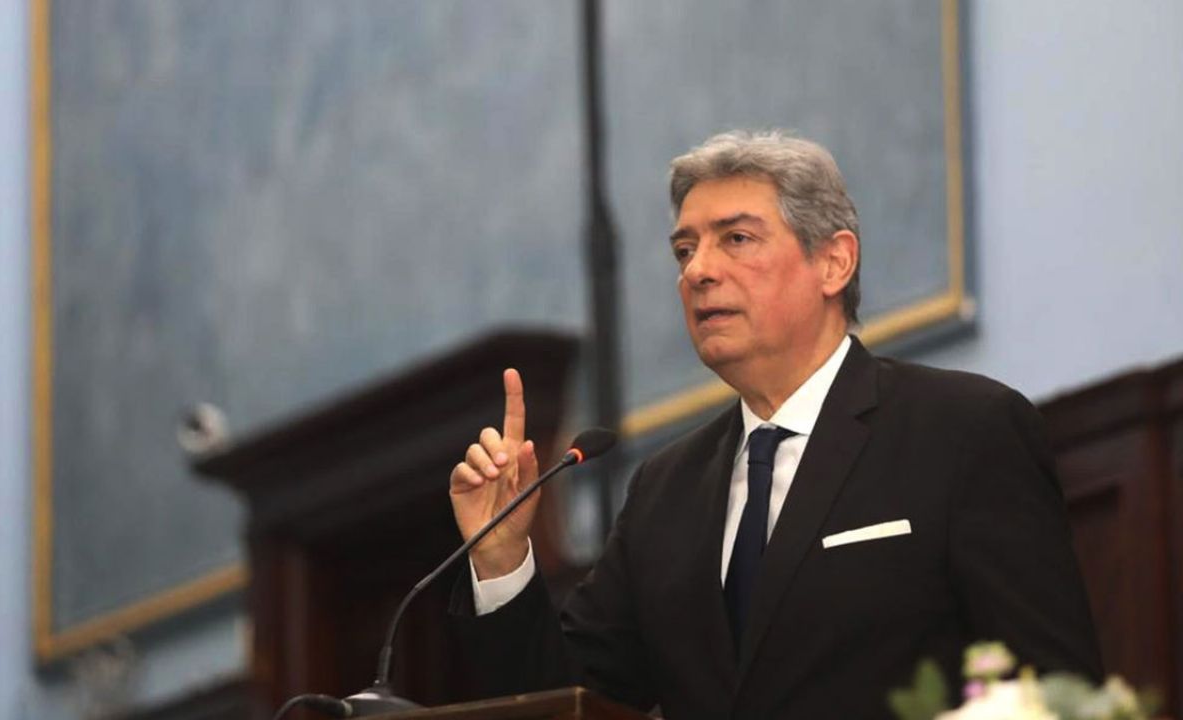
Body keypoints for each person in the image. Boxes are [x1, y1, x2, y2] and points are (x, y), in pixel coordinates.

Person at [447, 130, 1102, 719]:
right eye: (684, 250)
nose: (698, 270)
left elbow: (1055, 693)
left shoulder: (963, 431)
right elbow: (568, 701)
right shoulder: (663, 492)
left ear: (834, 262)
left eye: (736, 239)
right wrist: (501, 561)